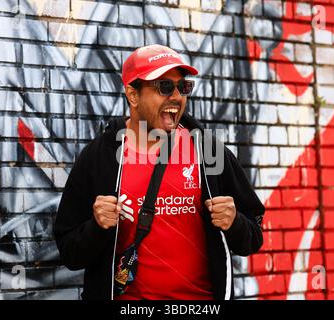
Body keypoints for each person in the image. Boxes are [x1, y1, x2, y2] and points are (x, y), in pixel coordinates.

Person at [54, 44, 265, 300]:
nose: (176, 96)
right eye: (164, 87)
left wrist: (235, 223)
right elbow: (69, 253)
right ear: (133, 95)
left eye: (183, 87)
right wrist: (96, 228)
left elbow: (253, 236)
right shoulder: (100, 157)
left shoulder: (208, 151)